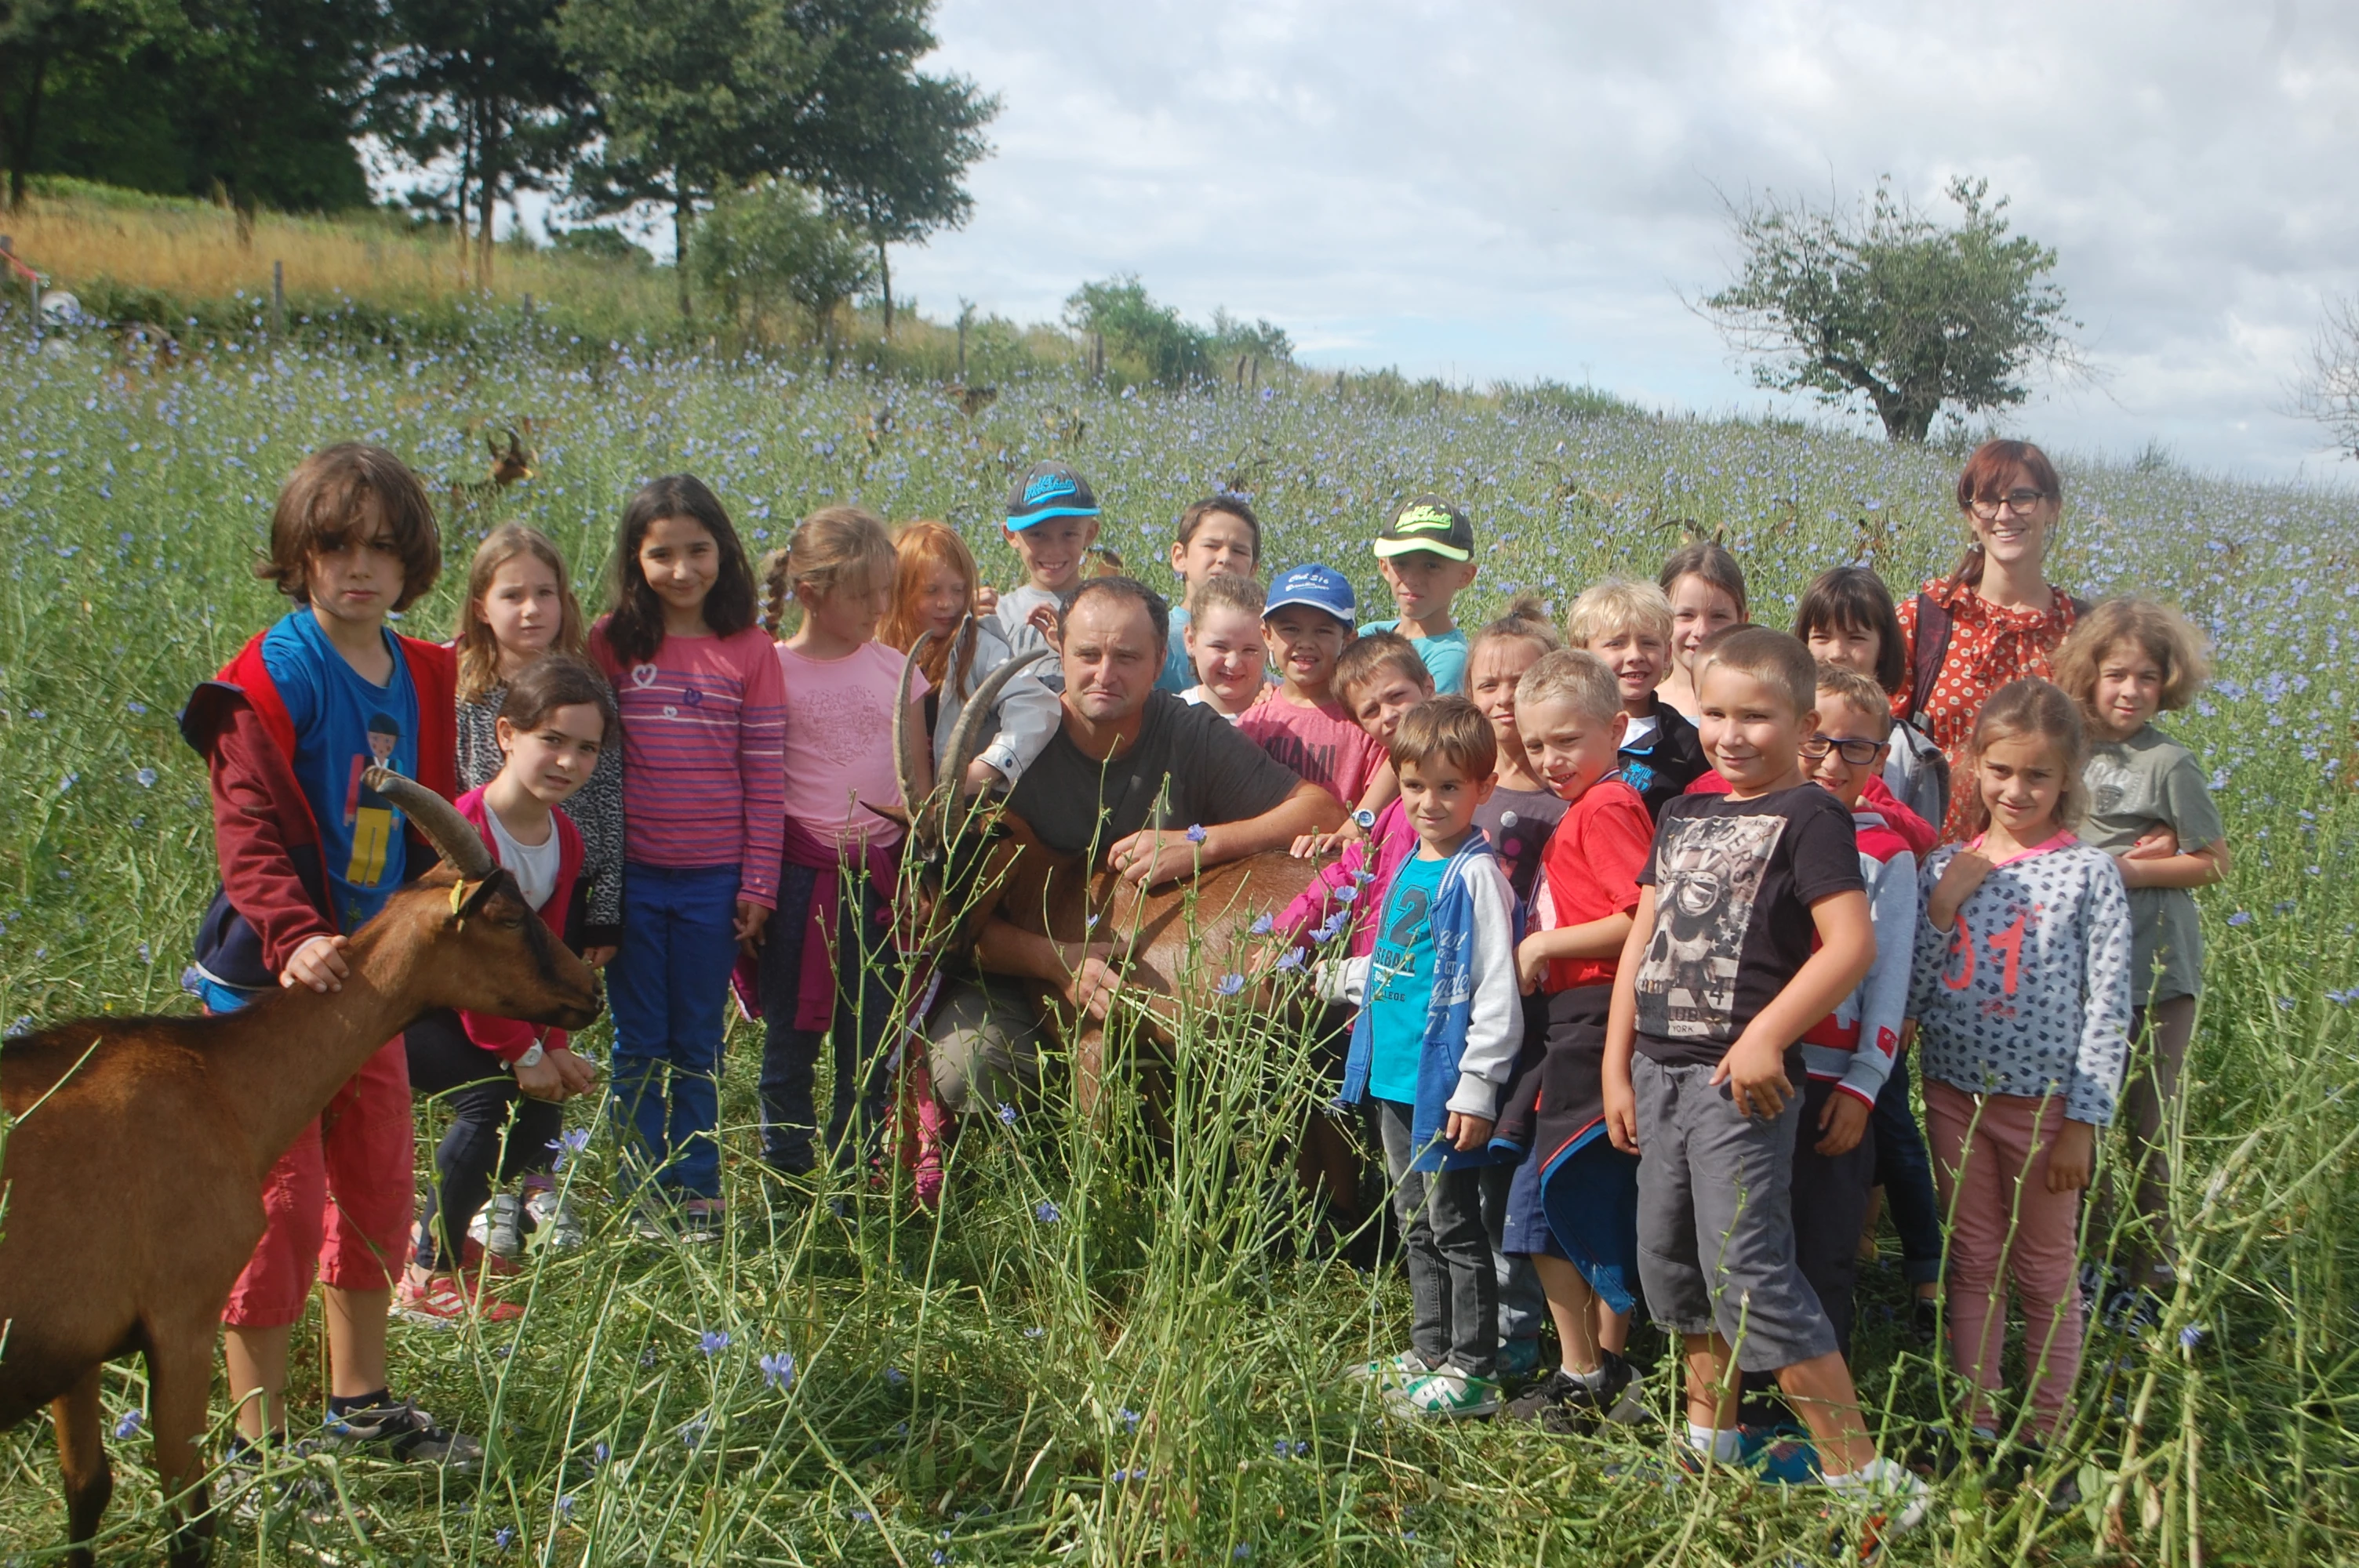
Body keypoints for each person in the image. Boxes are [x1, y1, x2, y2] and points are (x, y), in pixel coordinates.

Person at [180, 442, 478, 1468]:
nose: (361, 569)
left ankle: (361, 1408)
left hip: (369, 989)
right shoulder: (272, 677)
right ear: (300, 556)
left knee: (379, 1187)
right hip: (273, 989)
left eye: (385, 551)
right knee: (282, 1208)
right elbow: (248, 828)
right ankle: (251, 1448)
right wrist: (295, 933)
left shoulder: (417, 673)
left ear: (411, 567)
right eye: (337, 545)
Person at [1602, 628, 1925, 1526]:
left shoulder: (1810, 813)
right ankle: (1711, 1445)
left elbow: (1851, 945)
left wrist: (1765, 1036)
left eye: (1757, 714)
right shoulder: (1682, 813)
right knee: (1672, 1262)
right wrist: (1614, 1065)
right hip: (1656, 1068)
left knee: (1748, 1268)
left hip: (1737, 1084)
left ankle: (1863, 1480)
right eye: (1714, 712)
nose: (1732, 732)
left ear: (1801, 719)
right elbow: (1642, 940)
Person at [924, 576, 1343, 1116]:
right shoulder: (1006, 752)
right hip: (1017, 972)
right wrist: (1056, 961)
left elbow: (1321, 811)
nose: (1105, 674)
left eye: (1126, 656)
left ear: (1160, 658)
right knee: (971, 1066)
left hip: (1156, 979)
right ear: (1059, 650)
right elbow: (946, 924)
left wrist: (1203, 842)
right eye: (1088, 654)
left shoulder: (1190, 731)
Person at [1910, 679, 2132, 1452]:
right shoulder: (1944, 863)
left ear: (2067, 777)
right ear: (1973, 764)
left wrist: (2083, 1122)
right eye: (2000, 770)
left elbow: (2108, 1005)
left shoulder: (2088, 873)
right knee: (1969, 1261)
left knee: (2042, 1273)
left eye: (2036, 775)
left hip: (2045, 1108)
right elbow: (1909, 987)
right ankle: (1974, 1423)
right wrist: (1941, 907)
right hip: (1949, 1094)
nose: (2015, 789)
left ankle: (2042, 1434)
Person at [588, 475, 784, 1240]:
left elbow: (764, 773)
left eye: (696, 549)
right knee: (637, 1038)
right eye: (660, 553)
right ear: (635, 560)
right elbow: (594, 776)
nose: (680, 569)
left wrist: (758, 879)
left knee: (698, 1038)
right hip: (634, 880)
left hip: (714, 882)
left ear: (722, 550)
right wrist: (600, 886)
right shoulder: (610, 642)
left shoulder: (749, 648)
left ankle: (697, 1189)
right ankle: (640, 1189)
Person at [1325, 698, 1523, 1418]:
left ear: (1483, 787)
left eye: (1449, 787)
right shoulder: (1411, 860)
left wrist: (1477, 1086)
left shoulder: (1476, 877)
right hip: (1393, 1075)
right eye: (1414, 786)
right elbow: (1399, 962)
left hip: (1441, 1083)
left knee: (1454, 1224)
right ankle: (1429, 1349)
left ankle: (1473, 1368)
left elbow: (1495, 988)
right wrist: (1336, 978)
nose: (1429, 802)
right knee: (1413, 1217)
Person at [398, 655, 609, 1320]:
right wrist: (522, 1056)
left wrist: (553, 1044)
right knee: (491, 1099)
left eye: (586, 748)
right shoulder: (466, 830)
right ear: (505, 735)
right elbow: (463, 969)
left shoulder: (564, 836)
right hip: (421, 1006)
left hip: (490, 1008)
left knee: (543, 1115)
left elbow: (541, 958)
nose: (568, 762)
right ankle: (426, 1276)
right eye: (552, 740)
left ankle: (444, 1231)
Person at [2053, 600, 2229, 1322]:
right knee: (2078, 1125)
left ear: (2169, 684)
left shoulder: (2168, 763)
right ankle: (2084, 1268)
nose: (2129, 691)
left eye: (2147, 678)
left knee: (2148, 1129)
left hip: (2157, 976)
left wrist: (2128, 872)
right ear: (2088, 675)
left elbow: (2213, 863)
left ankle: (2152, 1278)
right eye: (2116, 674)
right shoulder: (2067, 751)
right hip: (2080, 975)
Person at [449, 524, 620, 1258]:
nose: (530, 609)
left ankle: (541, 1182)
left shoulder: (588, 697)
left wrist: (606, 905)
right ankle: (476, 1210)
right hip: (480, 921)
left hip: (560, 890)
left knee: (558, 1031)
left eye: (544, 593)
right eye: (512, 594)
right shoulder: (463, 695)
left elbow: (609, 804)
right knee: (498, 1073)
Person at [1493, 651, 1652, 1433]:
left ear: (1616, 728)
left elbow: (1637, 919)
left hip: (1592, 1012)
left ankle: (1582, 1370)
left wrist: (1539, 949)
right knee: (1584, 1187)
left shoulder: (1609, 805)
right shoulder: (1590, 806)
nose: (1548, 760)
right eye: (1534, 745)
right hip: (1577, 1014)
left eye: (1565, 740)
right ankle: (1600, 1367)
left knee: (1547, 1192)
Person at [756, 508, 934, 1178]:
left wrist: (919, 870)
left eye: (884, 592)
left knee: (869, 1041)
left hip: (880, 880)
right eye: (862, 596)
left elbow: (919, 789)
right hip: (800, 880)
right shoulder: (771, 671)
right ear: (809, 594)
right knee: (791, 1037)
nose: (879, 607)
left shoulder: (898, 670)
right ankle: (790, 1177)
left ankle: (853, 1175)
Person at [1787, 664, 1920, 1356]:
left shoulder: (1887, 857)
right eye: (1818, 742)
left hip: (1837, 1086)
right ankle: (1746, 1401)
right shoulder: (1763, 826)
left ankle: (1815, 1421)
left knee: (1823, 1250)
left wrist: (1866, 1085)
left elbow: (1890, 980)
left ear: (1882, 755)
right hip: (1760, 1078)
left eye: (1856, 748)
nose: (1833, 761)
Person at [1460, 597, 1562, 1377]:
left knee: (1513, 1175)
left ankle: (1518, 1334)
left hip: (1534, 1016)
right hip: (1459, 1012)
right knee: (1465, 1172)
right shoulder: (1460, 793)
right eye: (1485, 683)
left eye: (1517, 683)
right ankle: (1470, 1325)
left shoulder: (1562, 803)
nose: (1499, 698)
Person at [1897, 439, 2089, 842]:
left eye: (2022, 498)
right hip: (1929, 864)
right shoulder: (1926, 619)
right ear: (1970, 515)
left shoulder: (2083, 631)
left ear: (2053, 508)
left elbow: (2118, 748)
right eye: (1987, 500)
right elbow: (1876, 738)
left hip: (2043, 873)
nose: (2004, 514)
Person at [882, 518, 1060, 791]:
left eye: (959, 589)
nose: (948, 603)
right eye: (931, 591)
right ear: (900, 591)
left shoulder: (976, 645)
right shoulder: (879, 647)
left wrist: (989, 768)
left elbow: (1036, 704)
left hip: (957, 804)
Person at [1794, 565, 1950, 831]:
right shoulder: (1782, 729)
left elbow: (1924, 852)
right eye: (1821, 637)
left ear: (1883, 647)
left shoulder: (1913, 757)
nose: (1836, 653)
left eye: (1855, 638)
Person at [1239, 564, 1386, 811]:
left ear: (1348, 640)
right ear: (1266, 635)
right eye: (1291, 629)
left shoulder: (1366, 721)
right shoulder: (1255, 723)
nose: (1305, 642)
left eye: (1322, 631)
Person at [1564, 577, 1705, 816]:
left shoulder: (1686, 744)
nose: (1635, 655)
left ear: (1667, 653)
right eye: (1616, 644)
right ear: (1581, 652)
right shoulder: (1562, 725)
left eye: (1648, 643)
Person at [1360, 493, 1479, 694]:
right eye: (1401, 564)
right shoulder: (1367, 634)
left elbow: (1421, 725)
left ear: (1465, 576)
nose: (1413, 579)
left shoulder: (1450, 657)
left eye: (1432, 566)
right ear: (1385, 568)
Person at [994, 459, 1102, 661]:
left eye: (1069, 534)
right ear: (1011, 535)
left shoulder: (1106, 611)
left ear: (1090, 533)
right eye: (1038, 534)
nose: (1054, 550)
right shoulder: (999, 615)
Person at [1158, 494, 1262, 692]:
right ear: (1180, 557)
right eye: (1212, 546)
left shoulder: (1259, 637)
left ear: (1253, 570)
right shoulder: (1160, 638)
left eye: (1239, 551)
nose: (1225, 558)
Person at [1655, 540, 1747, 720]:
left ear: (1742, 621)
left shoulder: (1757, 705)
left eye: (1719, 617)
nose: (1701, 631)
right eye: (1686, 615)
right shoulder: (1643, 708)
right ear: (1663, 619)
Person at [1176, 572, 1270, 719]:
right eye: (1220, 647)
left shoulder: (1292, 704)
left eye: (1250, 650)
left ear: (1270, 644)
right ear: (1190, 640)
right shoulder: (1176, 717)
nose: (1233, 663)